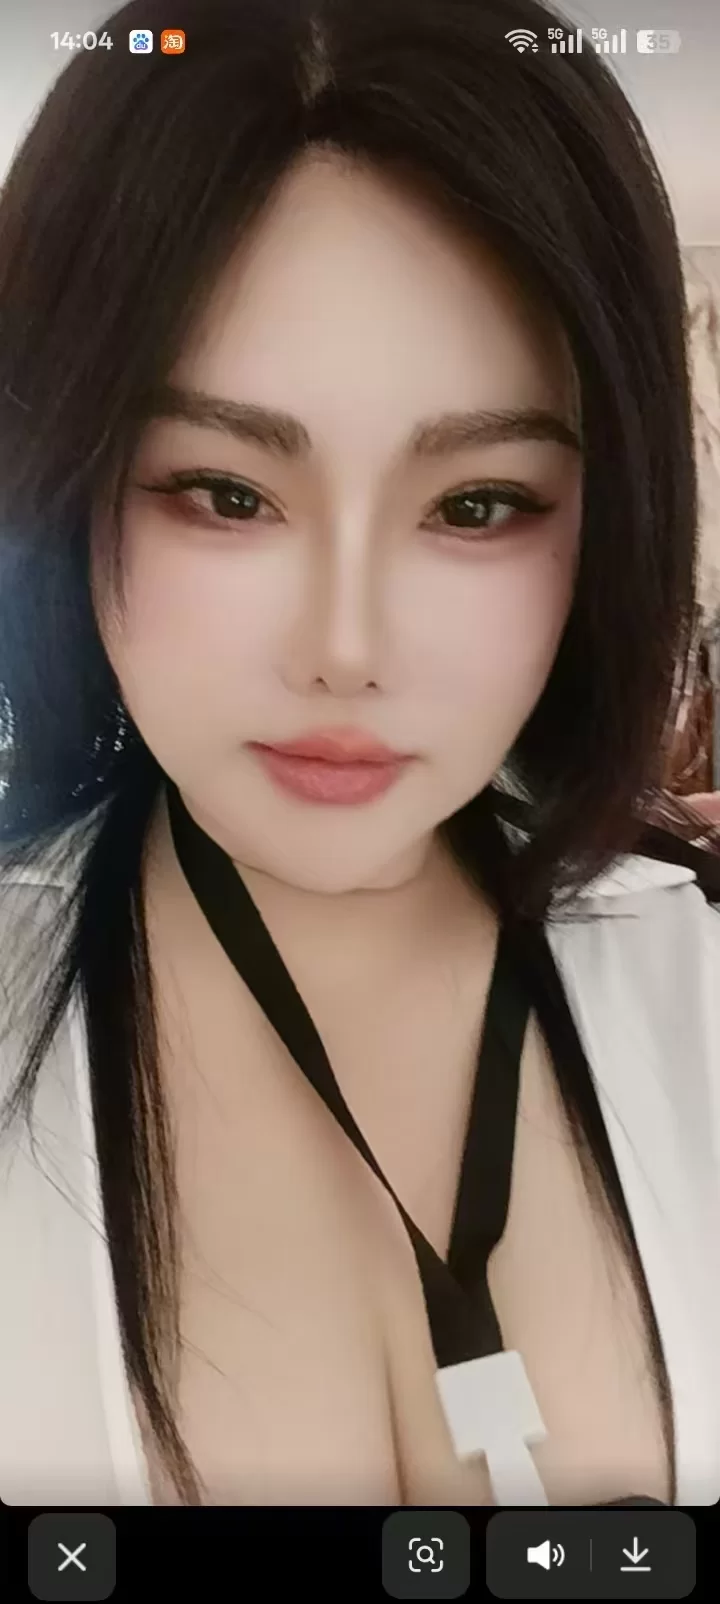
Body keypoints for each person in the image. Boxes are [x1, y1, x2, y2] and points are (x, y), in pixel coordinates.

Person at [0, 0, 718, 1510]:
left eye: (477, 505)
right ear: (68, 485)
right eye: (224, 491)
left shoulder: (695, 980)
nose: (345, 646)